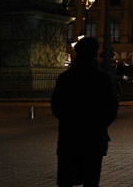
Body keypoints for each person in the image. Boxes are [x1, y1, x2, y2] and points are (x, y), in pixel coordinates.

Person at [51, 37, 119, 187]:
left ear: (77, 52)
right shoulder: (103, 79)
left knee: (65, 181)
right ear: (95, 53)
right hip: (93, 138)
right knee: (91, 181)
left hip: (69, 137)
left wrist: (69, 120)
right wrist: (100, 124)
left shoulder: (66, 78)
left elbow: (56, 106)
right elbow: (112, 108)